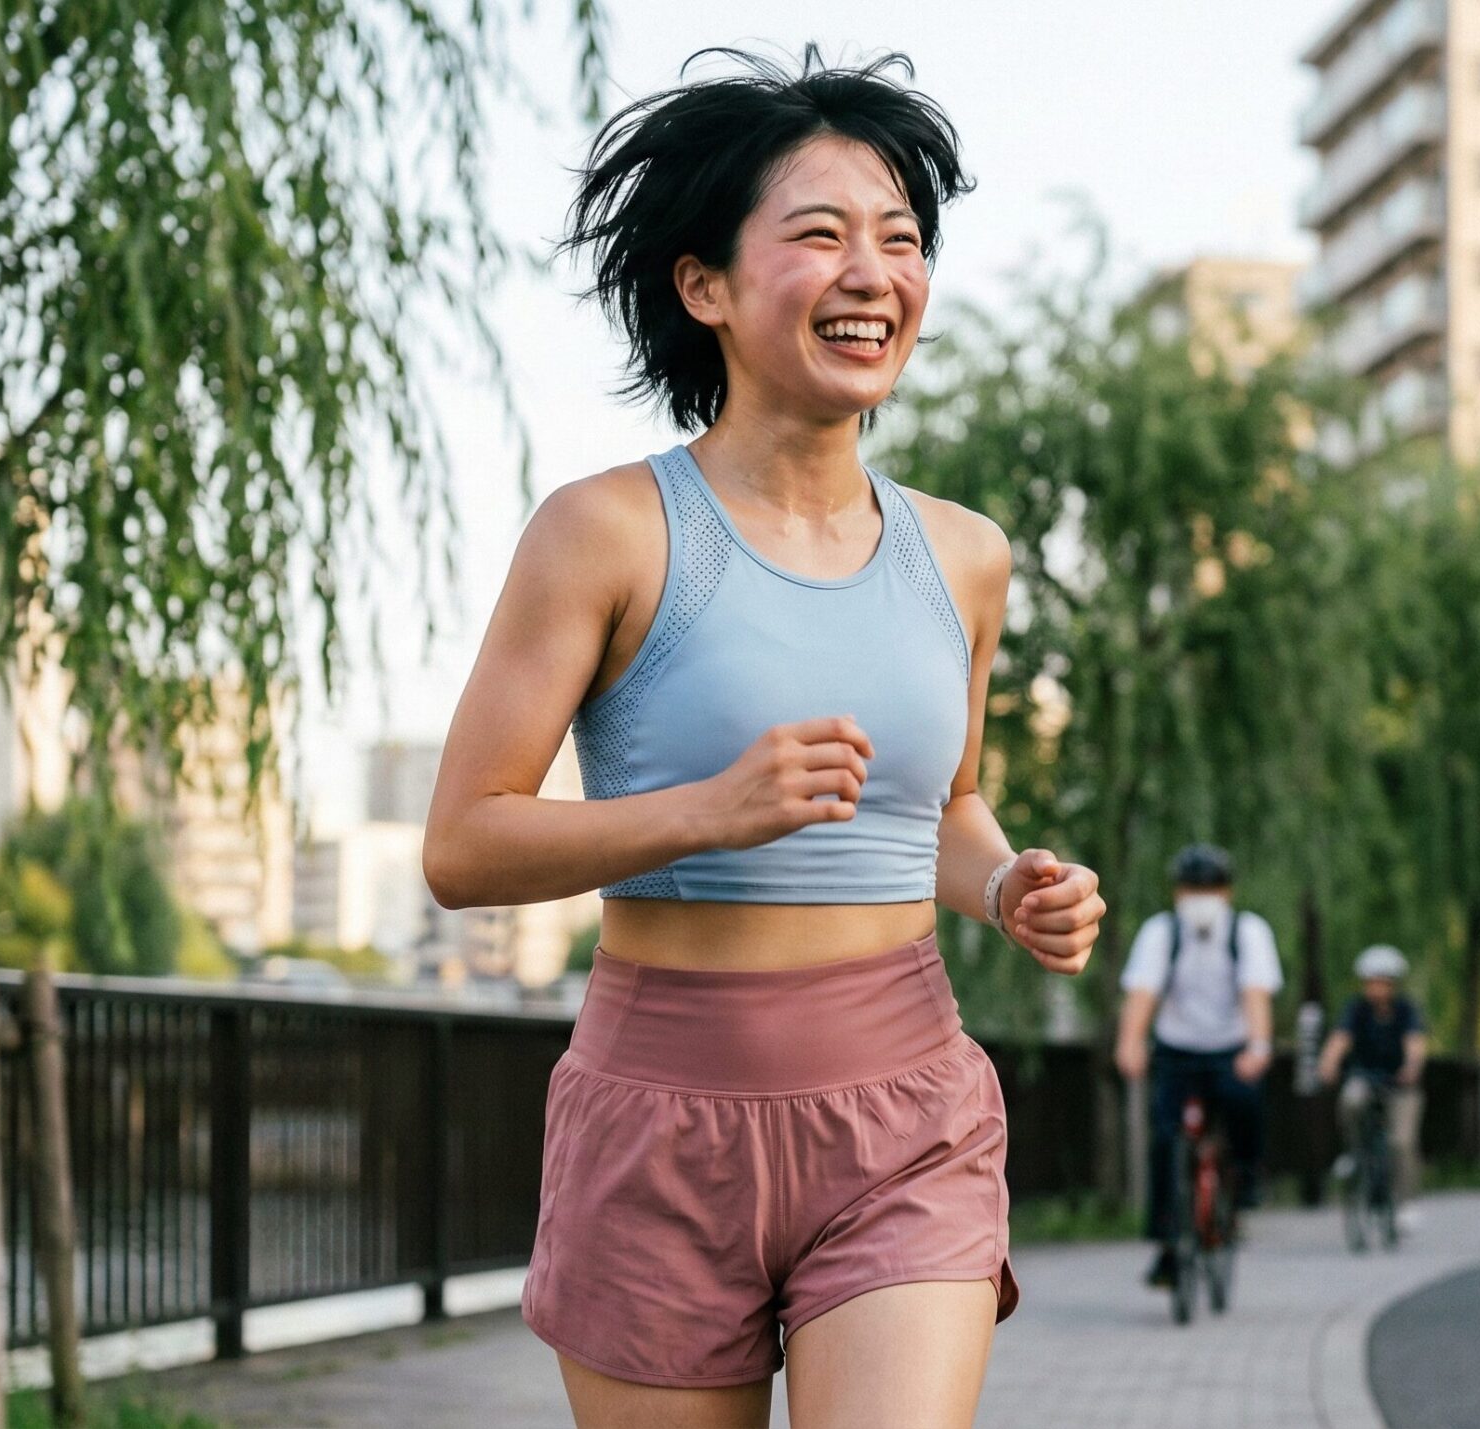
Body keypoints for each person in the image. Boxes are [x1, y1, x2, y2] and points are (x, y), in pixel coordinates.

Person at [422, 50, 1106, 1429]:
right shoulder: (606, 530)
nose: (874, 272)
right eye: (820, 234)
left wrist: (1003, 884)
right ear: (706, 287)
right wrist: (706, 811)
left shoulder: (965, 557)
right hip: (657, 1124)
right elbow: (464, 840)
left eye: (901, 241)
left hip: (904, 1111)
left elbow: (946, 802)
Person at [1113, 844, 1283, 1289]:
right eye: (1192, 888)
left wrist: (1259, 1046)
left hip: (1230, 1048)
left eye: (1210, 888)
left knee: (1244, 1101)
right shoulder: (1161, 932)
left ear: (1226, 892)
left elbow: (1255, 993)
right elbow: (1143, 993)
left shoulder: (1247, 932)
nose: (1200, 896)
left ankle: (1245, 1181)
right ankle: (1169, 1244)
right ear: (1177, 892)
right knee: (1166, 1139)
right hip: (1176, 1049)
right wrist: (1130, 1043)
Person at [1318, 945, 1428, 1215]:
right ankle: (1354, 1151)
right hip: (1365, 1079)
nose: (1376, 988)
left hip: (1400, 1085)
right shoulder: (1356, 1010)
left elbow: (1415, 1043)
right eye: (1371, 982)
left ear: (1393, 985)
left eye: (1383, 982)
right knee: (1351, 1099)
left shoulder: (1406, 1011)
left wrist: (1412, 1066)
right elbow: (1340, 1039)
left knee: (1401, 1143)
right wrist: (1328, 1063)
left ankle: (1406, 1203)